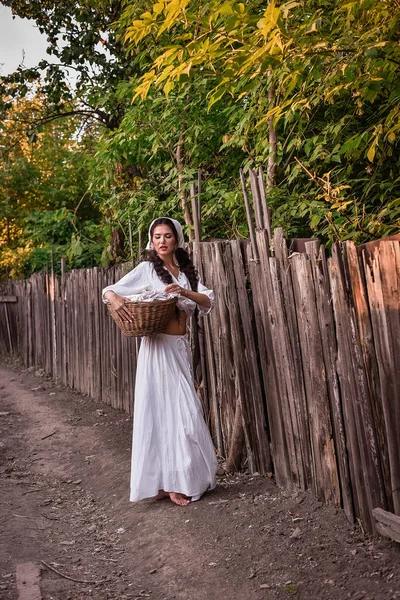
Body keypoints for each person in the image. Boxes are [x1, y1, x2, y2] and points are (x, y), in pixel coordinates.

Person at [102, 217, 217, 507]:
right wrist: (114, 298)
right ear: (152, 242)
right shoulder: (146, 270)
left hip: (178, 349)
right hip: (156, 348)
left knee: (184, 414)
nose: (162, 241)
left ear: (176, 239)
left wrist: (183, 291)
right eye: (156, 237)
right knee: (164, 412)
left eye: (167, 236)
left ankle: (179, 478)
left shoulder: (186, 274)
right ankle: (170, 483)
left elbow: (207, 302)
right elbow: (110, 290)